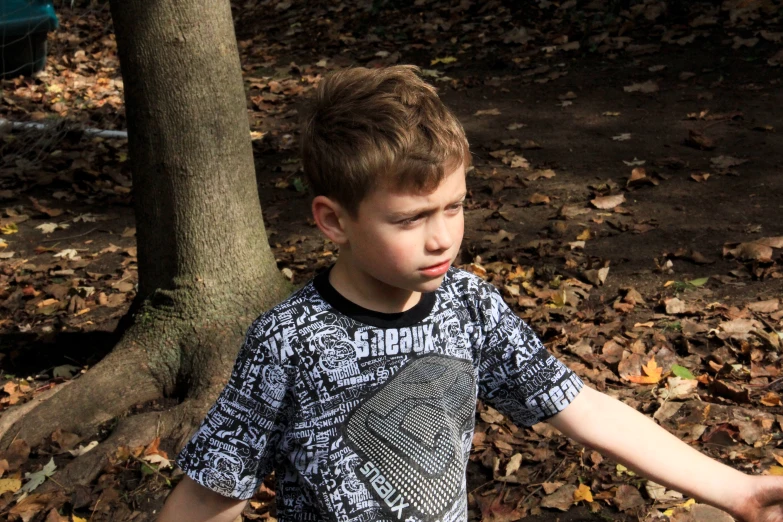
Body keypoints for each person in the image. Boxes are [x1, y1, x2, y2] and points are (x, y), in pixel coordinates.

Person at [156, 65, 783, 522]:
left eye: (454, 207)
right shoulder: (289, 341)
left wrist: (734, 489)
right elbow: (213, 493)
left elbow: (585, 409)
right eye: (410, 219)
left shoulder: (471, 307)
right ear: (333, 220)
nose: (442, 239)